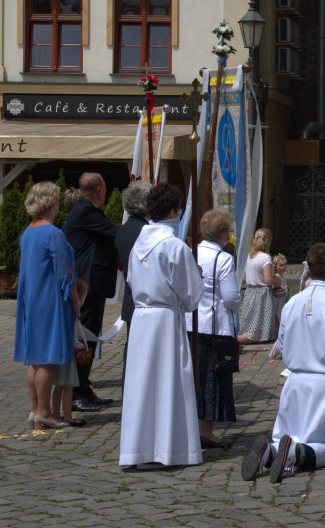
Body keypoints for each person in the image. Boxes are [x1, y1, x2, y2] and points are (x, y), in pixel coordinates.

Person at [241, 243, 325, 483]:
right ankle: (298, 454)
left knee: (288, 434)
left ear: (309, 269)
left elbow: (281, 346)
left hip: (295, 382)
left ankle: (271, 452)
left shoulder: (293, 303)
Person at [119, 183, 204, 469]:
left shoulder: (138, 244)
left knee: (142, 384)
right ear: (172, 212)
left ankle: (138, 449)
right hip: (166, 320)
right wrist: (197, 276)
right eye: (178, 210)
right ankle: (168, 449)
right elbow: (192, 296)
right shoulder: (174, 246)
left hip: (142, 318)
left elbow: (131, 280)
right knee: (168, 383)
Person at [14, 181, 81, 430]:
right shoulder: (53, 233)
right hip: (51, 300)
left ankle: (36, 410)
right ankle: (44, 411)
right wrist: (75, 302)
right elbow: (65, 274)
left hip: (31, 299)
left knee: (34, 358)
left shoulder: (28, 232)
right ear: (51, 203)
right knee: (46, 359)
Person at [62, 172, 118, 412]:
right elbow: (115, 233)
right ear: (99, 189)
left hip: (91, 283)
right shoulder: (86, 210)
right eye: (105, 186)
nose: (105, 191)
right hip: (88, 284)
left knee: (89, 335)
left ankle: (83, 387)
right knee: (84, 337)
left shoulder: (86, 209)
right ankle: (76, 391)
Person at [188, 209, 241, 449]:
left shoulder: (191, 253)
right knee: (213, 379)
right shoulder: (224, 259)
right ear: (223, 235)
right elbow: (230, 297)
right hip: (215, 327)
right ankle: (206, 431)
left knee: (193, 378)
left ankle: (191, 427)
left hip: (191, 323)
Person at [115, 180, 151, 385]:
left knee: (132, 350)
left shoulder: (122, 231)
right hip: (145, 300)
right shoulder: (146, 232)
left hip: (130, 299)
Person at [51, 278, 88, 427]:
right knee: (68, 386)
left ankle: (54, 414)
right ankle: (67, 415)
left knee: (58, 386)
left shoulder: (62, 313)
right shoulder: (73, 315)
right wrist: (81, 346)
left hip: (59, 353)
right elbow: (73, 338)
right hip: (69, 354)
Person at [238, 229, 281, 345]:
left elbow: (244, 278)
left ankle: (239, 338)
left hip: (250, 292)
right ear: (268, 241)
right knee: (261, 333)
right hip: (262, 294)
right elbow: (268, 280)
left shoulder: (249, 256)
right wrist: (277, 279)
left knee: (252, 324)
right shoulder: (265, 258)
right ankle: (236, 340)